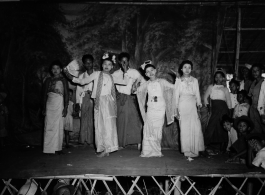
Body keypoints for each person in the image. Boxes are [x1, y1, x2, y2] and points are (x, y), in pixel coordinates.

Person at [64, 52, 128, 157]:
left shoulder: (112, 77)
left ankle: (109, 148)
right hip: (98, 102)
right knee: (99, 125)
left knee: (109, 125)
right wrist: (70, 77)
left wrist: (125, 71)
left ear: (112, 66)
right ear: (101, 65)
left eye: (109, 64)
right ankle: (103, 148)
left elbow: (125, 82)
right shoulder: (97, 74)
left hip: (109, 102)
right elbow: (83, 81)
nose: (107, 66)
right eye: (105, 64)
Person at [134, 61, 177, 157]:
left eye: (152, 70)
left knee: (157, 130)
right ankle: (147, 152)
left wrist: (177, 78)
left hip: (160, 109)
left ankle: (156, 152)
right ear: (146, 74)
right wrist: (135, 85)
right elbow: (136, 91)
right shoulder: (146, 84)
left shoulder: (162, 81)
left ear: (156, 70)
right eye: (148, 71)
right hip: (150, 109)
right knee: (148, 128)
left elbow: (174, 87)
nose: (150, 73)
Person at [112, 52, 145, 149]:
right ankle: (121, 142)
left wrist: (136, 88)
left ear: (128, 61)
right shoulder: (116, 73)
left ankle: (138, 141)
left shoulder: (134, 72)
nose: (124, 63)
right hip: (119, 98)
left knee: (133, 119)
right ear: (119, 62)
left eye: (126, 61)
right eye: (122, 61)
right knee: (120, 120)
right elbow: (112, 85)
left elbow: (143, 83)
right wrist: (117, 95)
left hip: (130, 97)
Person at [175, 60, 204, 159]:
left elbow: (197, 95)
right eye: (185, 67)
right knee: (184, 128)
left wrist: (199, 108)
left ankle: (194, 150)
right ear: (181, 69)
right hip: (182, 105)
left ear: (191, 69)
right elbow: (175, 96)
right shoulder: (178, 80)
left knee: (195, 127)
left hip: (192, 106)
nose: (187, 69)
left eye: (189, 67)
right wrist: (175, 110)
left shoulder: (194, 80)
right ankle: (187, 151)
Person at [43, 61, 69, 154]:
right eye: (53, 68)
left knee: (58, 125)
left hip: (59, 104)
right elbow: (44, 95)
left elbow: (66, 94)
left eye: (57, 68)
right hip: (49, 104)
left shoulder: (63, 80)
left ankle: (58, 148)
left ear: (61, 70)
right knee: (49, 125)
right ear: (51, 70)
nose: (55, 70)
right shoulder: (48, 80)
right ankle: (48, 149)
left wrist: (65, 107)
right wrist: (43, 108)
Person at [203, 68, 232, 154]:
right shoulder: (211, 87)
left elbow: (228, 100)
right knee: (211, 126)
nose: (218, 79)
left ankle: (223, 146)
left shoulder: (225, 89)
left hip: (223, 109)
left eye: (220, 77)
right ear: (214, 78)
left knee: (223, 127)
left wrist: (229, 111)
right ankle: (205, 145)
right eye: (216, 77)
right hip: (214, 109)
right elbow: (205, 98)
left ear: (223, 78)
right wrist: (208, 106)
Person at [75, 54, 95, 145]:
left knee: (93, 118)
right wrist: (77, 103)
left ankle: (91, 140)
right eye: (86, 63)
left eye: (90, 63)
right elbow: (78, 90)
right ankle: (83, 139)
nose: (88, 65)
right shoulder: (81, 76)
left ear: (93, 63)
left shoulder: (97, 74)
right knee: (84, 118)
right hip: (84, 98)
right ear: (84, 64)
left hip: (94, 98)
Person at [248, 63, 265, 133]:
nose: (255, 72)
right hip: (253, 108)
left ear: (261, 71)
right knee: (255, 128)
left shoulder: (264, 82)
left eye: (257, 70)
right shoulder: (253, 83)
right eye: (253, 71)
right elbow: (250, 96)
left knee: (263, 127)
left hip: (261, 109)